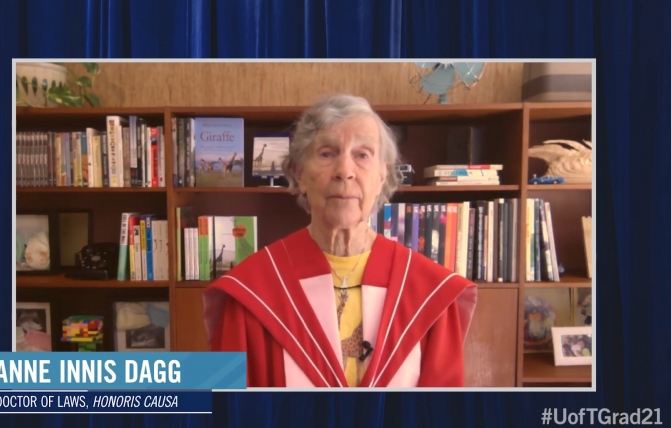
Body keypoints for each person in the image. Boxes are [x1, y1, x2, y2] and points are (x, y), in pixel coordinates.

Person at [202, 94, 478, 387]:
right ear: (300, 174)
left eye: (362, 155)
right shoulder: (252, 293)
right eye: (326, 153)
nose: (345, 171)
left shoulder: (430, 295)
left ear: (382, 175)